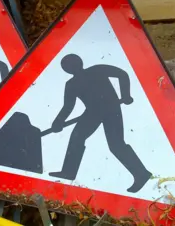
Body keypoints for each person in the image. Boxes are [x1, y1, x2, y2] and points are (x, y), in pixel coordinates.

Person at [50, 54, 151, 193]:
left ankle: (141, 174)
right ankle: (68, 171)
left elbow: (122, 74)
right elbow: (68, 106)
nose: (70, 68)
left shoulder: (97, 70)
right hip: (92, 112)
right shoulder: (71, 84)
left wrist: (125, 94)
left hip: (111, 108)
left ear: (79, 63)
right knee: (76, 137)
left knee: (116, 145)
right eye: (67, 66)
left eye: (71, 64)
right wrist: (58, 122)